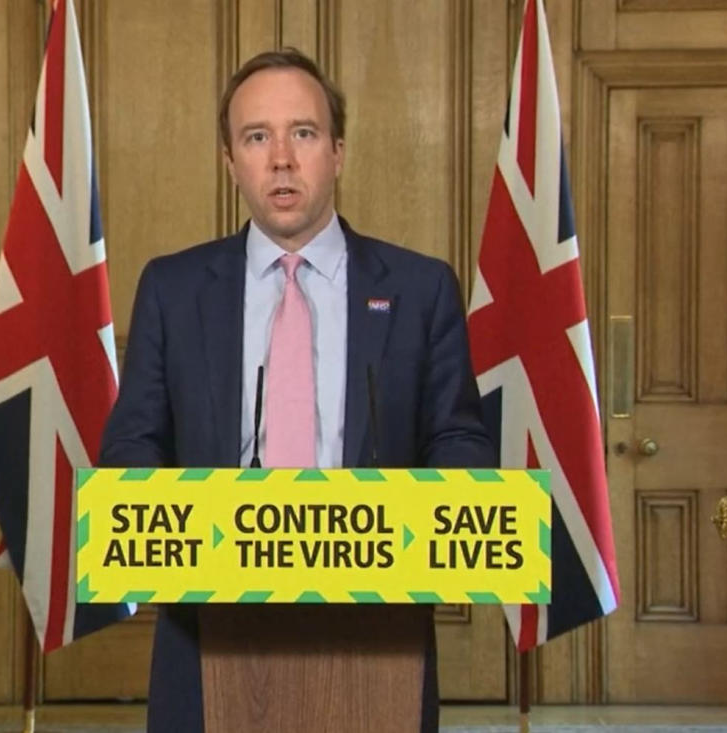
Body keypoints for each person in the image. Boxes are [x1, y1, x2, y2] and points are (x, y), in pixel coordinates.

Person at [99, 47, 497, 733]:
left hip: (377, 649)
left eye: (303, 133)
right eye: (257, 137)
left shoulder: (420, 289)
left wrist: (438, 512)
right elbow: (134, 443)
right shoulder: (173, 289)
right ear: (231, 162)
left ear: (338, 152)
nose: (281, 158)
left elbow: (457, 436)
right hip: (207, 645)